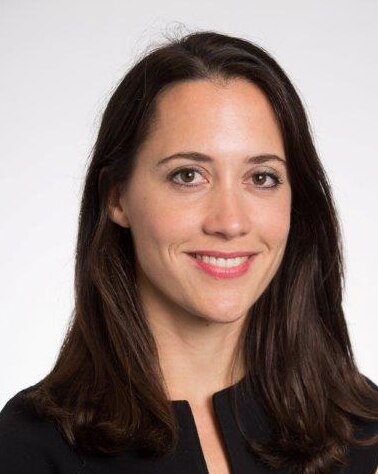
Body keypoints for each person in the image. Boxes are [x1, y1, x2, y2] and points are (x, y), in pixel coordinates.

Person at [0, 29, 377, 474]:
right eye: (187, 175)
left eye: (261, 178)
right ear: (116, 197)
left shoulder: (361, 428)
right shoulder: (26, 447)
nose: (230, 222)